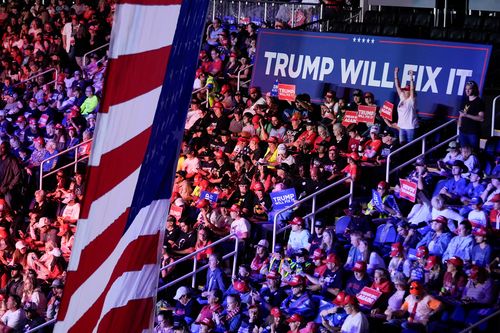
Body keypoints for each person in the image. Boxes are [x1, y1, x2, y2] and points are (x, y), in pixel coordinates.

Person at [390, 67, 418, 144]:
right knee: (401, 145)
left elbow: (412, 89)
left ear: (409, 92)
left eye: (406, 91)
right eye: (404, 90)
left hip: (410, 128)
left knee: (410, 146)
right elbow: (397, 86)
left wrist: (411, 77)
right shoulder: (402, 97)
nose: (404, 92)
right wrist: (395, 73)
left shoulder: (412, 100)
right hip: (401, 127)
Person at [458, 80, 484, 151]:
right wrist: (459, 127)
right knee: (463, 152)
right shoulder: (465, 100)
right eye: (466, 89)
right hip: (463, 132)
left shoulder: (479, 102)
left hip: (473, 132)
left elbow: (481, 118)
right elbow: (461, 115)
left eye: (469, 89)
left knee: (474, 152)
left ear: (474, 90)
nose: (467, 91)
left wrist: (467, 115)